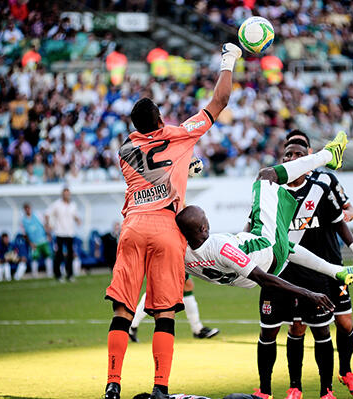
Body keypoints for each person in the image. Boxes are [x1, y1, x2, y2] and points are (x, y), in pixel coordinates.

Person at [104, 43, 242, 399]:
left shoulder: (125, 151)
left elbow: (154, 177)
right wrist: (229, 59)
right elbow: (220, 101)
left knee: (123, 309)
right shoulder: (180, 134)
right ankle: (161, 388)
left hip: (133, 226)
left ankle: (113, 383)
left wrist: (184, 172)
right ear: (162, 119)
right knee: (164, 313)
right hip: (167, 229)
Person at [176, 133, 353, 292]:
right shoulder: (220, 247)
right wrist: (308, 294)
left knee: (285, 243)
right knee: (266, 176)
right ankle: (329, 155)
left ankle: (337, 271)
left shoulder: (181, 255)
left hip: (249, 276)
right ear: (203, 228)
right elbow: (261, 277)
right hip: (265, 255)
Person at [259, 130, 353, 399]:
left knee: (344, 322)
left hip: (329, 264)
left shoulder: (325, 181)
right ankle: (295, 385)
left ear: (311, 155)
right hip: (294, 270)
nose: (294, 158)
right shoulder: (275, 188)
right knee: (297, 326)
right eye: (289, 154)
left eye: (300, 153)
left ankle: (346, 371)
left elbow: (345, 213)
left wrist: (352, 243)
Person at [129, 275, 220, 342]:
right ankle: (132, 325)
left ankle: (198, 329)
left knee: (187, 286)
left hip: (177, 253)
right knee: (159, 288)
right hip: (166, 254)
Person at [46, 187, 80, 282]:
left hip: (70, 233)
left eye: (68, 194)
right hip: (59, 232)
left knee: (70, 255)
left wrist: (78, 220)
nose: (67, 196)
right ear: (62, 195)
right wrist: (49, 225)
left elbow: (75, 215)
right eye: (65, 194)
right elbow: (47, 214)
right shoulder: (57, 204)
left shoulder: (73, 205)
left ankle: (70, 275)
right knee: (59, 255)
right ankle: (58, 275)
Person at [22, 203, 53, 279]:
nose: (28, 210)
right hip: (34, 243)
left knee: (48, 256)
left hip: (43, 240)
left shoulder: (37, 215)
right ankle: (34, 275)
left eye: (29, 208)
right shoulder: (23, 220)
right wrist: (30, 243)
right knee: (34, 257)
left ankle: (50, 273)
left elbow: (44, 225)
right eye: (26, 208)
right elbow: (25, 234)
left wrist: (48, 235)